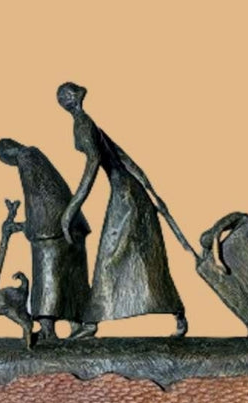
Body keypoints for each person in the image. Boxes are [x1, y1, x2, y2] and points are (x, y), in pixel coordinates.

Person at [57, 82, 187, 336]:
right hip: (130, 193)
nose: (62, 101)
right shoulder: (88, 123)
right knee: (146, 256)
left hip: (126, 196)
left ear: (68, 101)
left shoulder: (83, 124)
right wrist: (149, 190)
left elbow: (94, 162)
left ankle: (91, 321)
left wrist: (72, 208)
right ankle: (178, 314)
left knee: (112, 257)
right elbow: (126, 160)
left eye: (63, 97)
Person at [0, 139, 93, 339]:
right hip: (72, 226)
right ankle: (78, 325)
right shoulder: (38, 158)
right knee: (72, 278)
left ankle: (48, 329)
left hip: (51, 233)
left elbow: (38, 204)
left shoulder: (26, 159)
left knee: (47, 278)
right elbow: (49, 201)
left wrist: (24, 228)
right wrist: (22, 226)